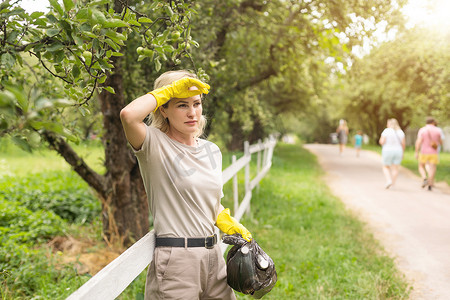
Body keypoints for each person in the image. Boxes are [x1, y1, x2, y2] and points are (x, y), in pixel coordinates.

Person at [120, 70, 252, 299]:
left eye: (197, 103)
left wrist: (225, 221)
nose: (192, 113)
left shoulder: (211, 150)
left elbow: (210, 202)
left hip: (214, 257)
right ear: (163, 108)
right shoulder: (153, 144)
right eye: (182, 105)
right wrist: (169, 90)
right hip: (177, 263)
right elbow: (128, 115)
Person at [415, 117, 442, 191]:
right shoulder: (438, 130)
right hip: (434, 153)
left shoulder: (422, 130)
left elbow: (419, 142)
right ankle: (430, 183)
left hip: (424, 152)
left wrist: (416, 151)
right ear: (433, 122)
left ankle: (424, 178)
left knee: (421, 166)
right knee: (432, 168)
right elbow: (440, 142)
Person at [379, 118, 405, 189]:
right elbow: (403, 144)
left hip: (387, 150)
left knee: (385, 166)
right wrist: (402, 153)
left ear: (389, 124)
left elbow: (382, 141)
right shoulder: (400, 132)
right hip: (398, 151)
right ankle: (393, 184)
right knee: (395, 168)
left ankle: (388, 180)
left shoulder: (386, 131)